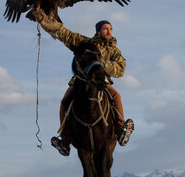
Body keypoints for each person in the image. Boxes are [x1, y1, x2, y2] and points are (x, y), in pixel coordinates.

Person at [35, 9, 134, 156]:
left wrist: (101, 63)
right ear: (98, 31)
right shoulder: (86, 43)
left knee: (116, 96)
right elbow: (64, 34)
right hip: (80, 82)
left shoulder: (114, 51)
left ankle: (121, 131)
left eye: (110, 29)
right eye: (105, 29)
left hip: (102, 83)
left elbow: (120, 70)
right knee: (64, 101)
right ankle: (65, 140)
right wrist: (44, 21)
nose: (109, 31)